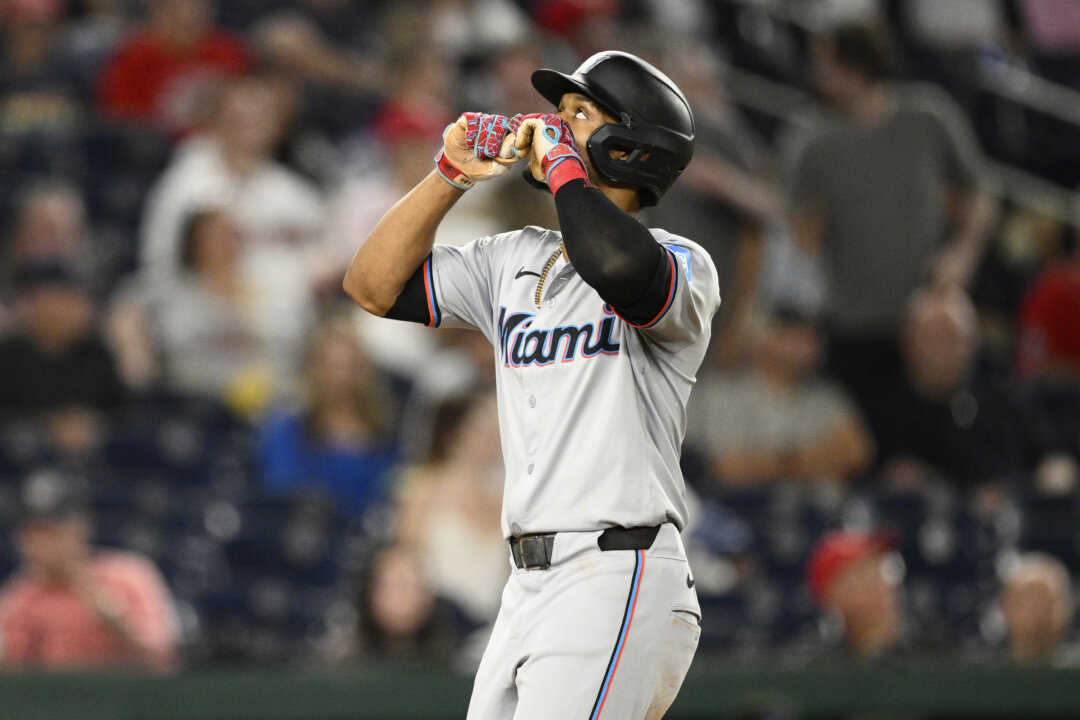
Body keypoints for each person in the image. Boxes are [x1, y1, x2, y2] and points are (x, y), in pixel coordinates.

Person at [343, 50, 718, 720]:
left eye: (579, 113)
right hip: (526, 582)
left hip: (618, 565)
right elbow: (371, 284)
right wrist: (449, 174)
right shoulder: (515, 259)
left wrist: (565, 164)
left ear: (627, 147)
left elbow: (616, 264)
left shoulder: (684, 264)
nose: (552, 124)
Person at [783, 22, 998, 441]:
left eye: (827, 62)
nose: (816, 74)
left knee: (937, 441)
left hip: (924, 322)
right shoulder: (811, 138)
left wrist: (963, 253)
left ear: (856, 64)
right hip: (851, 323)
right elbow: (790, 220)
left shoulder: (928, 117)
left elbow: (982, 192)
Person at [0, 472, 178, 672]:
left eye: (52, 532)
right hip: (54, 701)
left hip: (125, 698)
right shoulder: (18, 597)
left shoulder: (129, 575)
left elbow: (163, 659)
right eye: (34, 533)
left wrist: (110, 613)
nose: (43, 545)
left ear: (80, 528)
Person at [686, 303, 872, 490]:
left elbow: (856, 456)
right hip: (740, 511)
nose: (810, 343)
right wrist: (813, 460)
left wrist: (775, 464)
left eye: (813, 334)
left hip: (816, 514)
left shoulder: (825, 396)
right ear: (763, 337)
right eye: (796, 333)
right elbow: (728, 468)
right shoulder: (725, 392)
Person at [255, 317, 399, 518]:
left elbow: (390, 492)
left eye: (350, 366)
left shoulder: (384, 434)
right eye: (332, 366)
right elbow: (281, 489)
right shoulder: (288, 429)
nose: (342, 378)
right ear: (314, 369)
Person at [806, 530, 905, 661]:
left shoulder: (931, 651)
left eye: (879, 570)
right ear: (831, 594)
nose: (879, 583)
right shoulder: (818, 667)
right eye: (862, 575)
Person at [999, 552, 1075, 664]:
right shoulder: (979, 667)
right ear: (1005, 606)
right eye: (1027, 600)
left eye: (1048, 604)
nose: (1038, 612)